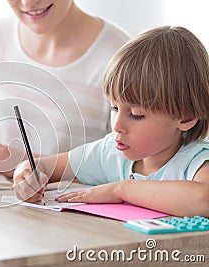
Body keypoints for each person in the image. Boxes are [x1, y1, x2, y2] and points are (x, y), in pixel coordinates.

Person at [13, 26, 209, 217]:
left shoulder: (197, 161)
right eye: (114, 108)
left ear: (186, 117)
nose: (116, 126)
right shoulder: (110, 152)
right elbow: (45, 166)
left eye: (136, 114)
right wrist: (26, 176)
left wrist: (121, 189)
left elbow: (203, 200)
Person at [0, 0, 129, 177]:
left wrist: (31, 164)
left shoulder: (121, 58)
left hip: (70, 214)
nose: (28, 3)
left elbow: (130, 168)